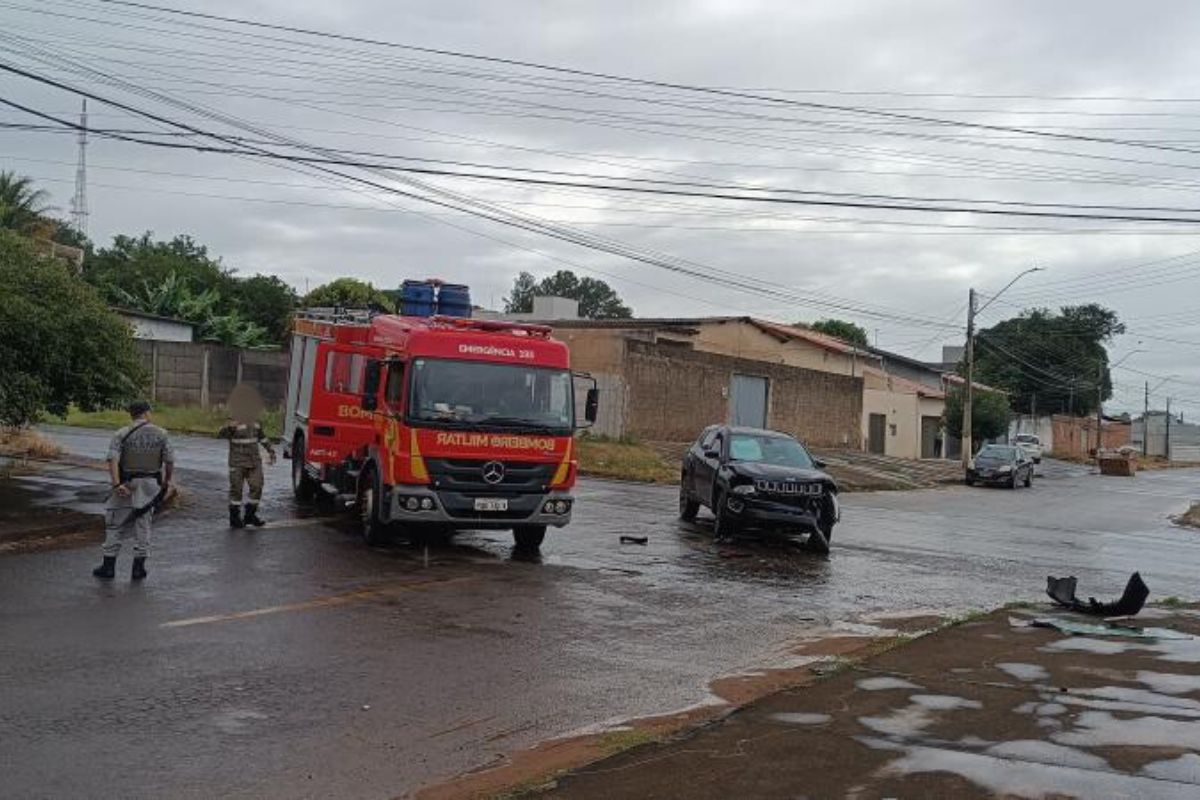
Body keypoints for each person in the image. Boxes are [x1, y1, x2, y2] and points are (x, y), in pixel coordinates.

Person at [93, 400, 174, 581]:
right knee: (143, 526)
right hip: (150, 485)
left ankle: (108, 567)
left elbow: (112, 460)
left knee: (114, 524)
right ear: (147, 413)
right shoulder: (162, 434)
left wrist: (116, 484)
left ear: (132, 414)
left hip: (126, 484)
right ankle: (138, 569)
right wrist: (167, 482)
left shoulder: (121, 433)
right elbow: (169, 461)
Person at [218, 417, 276, 527]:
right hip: (237, 462)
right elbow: (220, 434)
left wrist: (271, 450)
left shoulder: (256, 421)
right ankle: (234, 518)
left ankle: (250, 515)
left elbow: (262, 437)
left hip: (254, 462)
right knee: (236, 490)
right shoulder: (233, 419)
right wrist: (230, 428)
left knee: (257, 486)